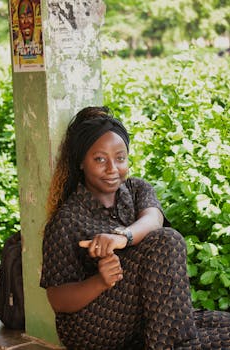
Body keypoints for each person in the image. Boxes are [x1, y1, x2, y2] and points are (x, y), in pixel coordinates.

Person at [40, 106, 230, 350]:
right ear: (80, 163)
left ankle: (169, 342)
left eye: (120, 158)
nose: (112, 169)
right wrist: (100, 280)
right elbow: (57, 299)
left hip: (149, 318)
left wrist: (123, 237)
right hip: (93, 328)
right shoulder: (67, 220)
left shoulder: (137, 189)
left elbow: (153, 219)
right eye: (99, 159)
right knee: (167, 241)